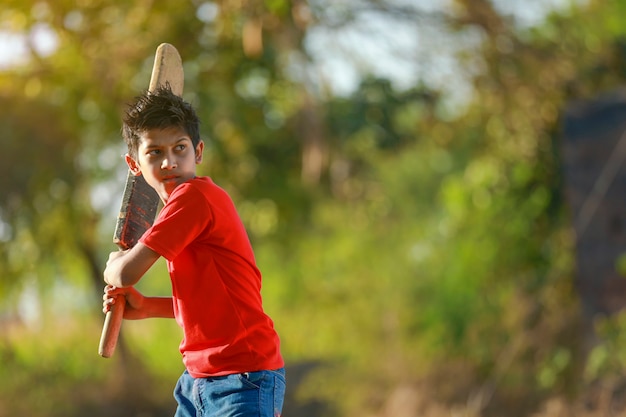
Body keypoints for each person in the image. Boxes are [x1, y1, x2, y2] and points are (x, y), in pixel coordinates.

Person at [102, 85, 285, 417]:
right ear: (134, 164)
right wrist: (145, 307)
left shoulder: (194, 198)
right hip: (198, 382)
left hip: (242, 378)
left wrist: (113, 265)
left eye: (180, 148)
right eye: (154, 152)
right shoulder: (178, 211)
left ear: (198, 151)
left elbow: (126, 272)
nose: (170, 161)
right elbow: (210, 301)